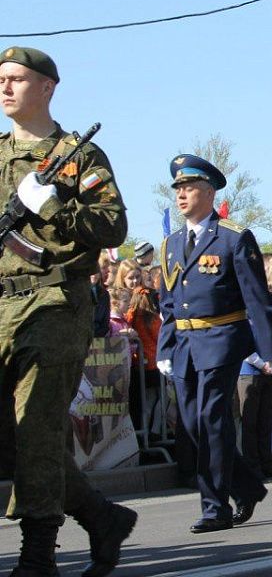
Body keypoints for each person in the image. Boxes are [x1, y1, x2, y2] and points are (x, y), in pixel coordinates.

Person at [0, 47, 137, 577]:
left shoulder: (79, 156)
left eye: (17, 79)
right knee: (10, 435)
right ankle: (101, 518)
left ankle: (38, 556)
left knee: (36, 427)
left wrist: (51, 204)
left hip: (54, 299)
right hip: (3, 302)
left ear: (47, 88)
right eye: (2, 79)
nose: (6, 88)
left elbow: (112, 229)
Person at [157, 154, 272, 533]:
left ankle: (214, 506)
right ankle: (246, 487)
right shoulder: (171, 245)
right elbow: (167, 304)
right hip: (184, 344)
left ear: (210, 191)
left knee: (212, 422)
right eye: (179, 189)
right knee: (194, 425)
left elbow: (256, 298)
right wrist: (164, 348)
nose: (182, 195)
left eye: (191, 187)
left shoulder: (233, 237)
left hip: (220, 340)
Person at [234, 255, 272, 480]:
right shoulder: (240, 302)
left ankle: (266, 463)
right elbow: (241, 339)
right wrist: (260, 363)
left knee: (265, 421)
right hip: (249, 370)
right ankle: (252, 467)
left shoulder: (267, 302)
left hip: (269, 368)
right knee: (249, 422)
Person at [113, 259, 162, 439]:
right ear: (122, 278)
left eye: (137, 277)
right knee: (143, 403)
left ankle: (149, 435)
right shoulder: (122, 301)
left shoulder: (144, 297)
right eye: (130, 278)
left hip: (144, 361)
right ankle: (145, 436)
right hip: (131, 362)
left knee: (152, 401)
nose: (134, 281)